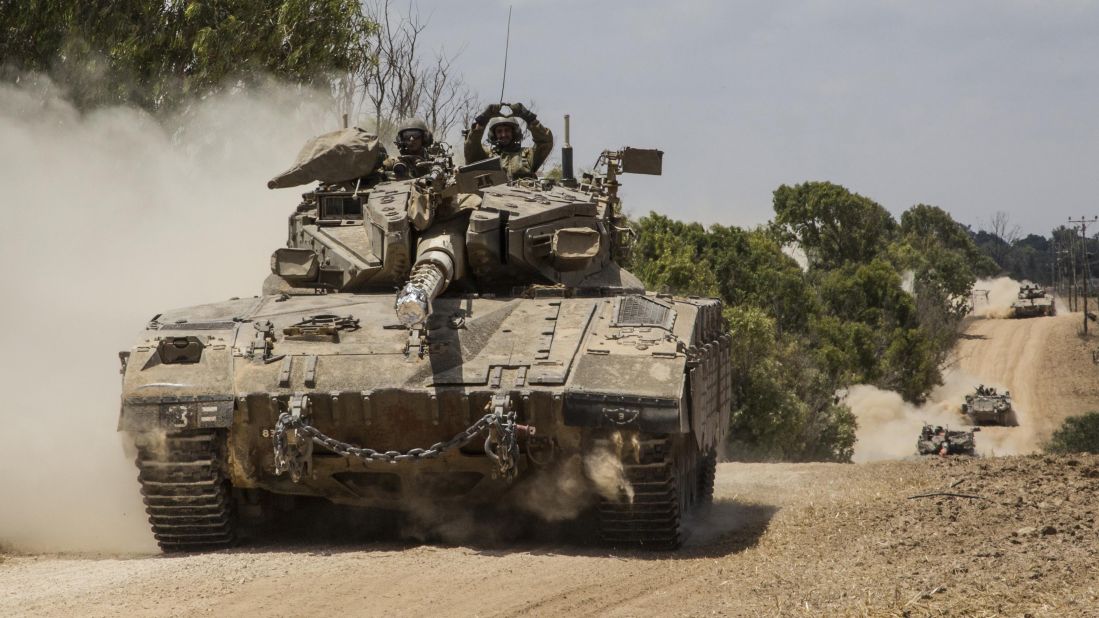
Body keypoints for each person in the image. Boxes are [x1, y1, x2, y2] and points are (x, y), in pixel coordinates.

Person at [464, 102, 553, 179]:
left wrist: (529, 117)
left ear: (514, 133)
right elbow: (471, 147)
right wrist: (483, 118)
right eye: (499, 131)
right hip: (492, 197)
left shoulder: (528, 155)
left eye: (507, 130)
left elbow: (545, 142)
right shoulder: (486, 155)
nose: (503, 134)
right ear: (493, 135)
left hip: (524, 197)